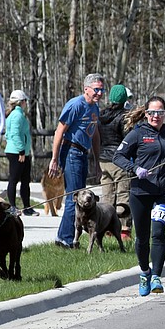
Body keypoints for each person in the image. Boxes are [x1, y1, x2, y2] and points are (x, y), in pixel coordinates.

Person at [113, 96, 165, 295]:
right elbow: (118, 156)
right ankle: (145, 272)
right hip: (140, 192)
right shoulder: (136, 134)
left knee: (158, 231)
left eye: (161, 113)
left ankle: (156, 276)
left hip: (164, 191)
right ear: (146, 114)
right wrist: (135, 168)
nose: (157, 116)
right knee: (142, 238)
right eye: (153, 112)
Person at [48, 73, 105, 248]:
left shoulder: (94, 108)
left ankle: (65, 237)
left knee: (79, 196)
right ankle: (65, 239)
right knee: (75, 197)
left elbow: (95, 134)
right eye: (96, 89)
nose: (99, 93)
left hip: (82, 153)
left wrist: (97, 161)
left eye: (102, 90)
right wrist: (54, 159)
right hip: (71, 151)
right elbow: (59, 131)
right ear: (86, 89)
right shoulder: (75, 105)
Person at [98, 84, 133, 238]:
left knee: (107, 195)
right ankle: (124, 229)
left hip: (104, 159)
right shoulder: (124, 116)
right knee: (123, 193)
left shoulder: (102, 115)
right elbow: (128, 139)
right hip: (119, 159)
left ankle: (106, 228)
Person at [3, 90, 34, 215]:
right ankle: (13, 207)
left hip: (21, 152)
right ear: (21, 102)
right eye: (25, 101)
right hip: (17, 152)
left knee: (25, 180)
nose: (26, 103)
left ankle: (27, 207)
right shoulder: (17, 115)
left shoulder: (16, 114)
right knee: (14, 179)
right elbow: (15, 134)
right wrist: (21, 150)